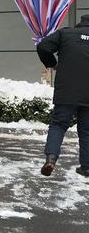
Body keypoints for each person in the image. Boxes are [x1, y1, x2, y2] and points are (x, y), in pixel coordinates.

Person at [37, 14, 89, 177]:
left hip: (66, 92)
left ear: (80, 24)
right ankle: (86, 167)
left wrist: (52, 64)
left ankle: (51, 160)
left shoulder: (65, 34)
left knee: (58, 125)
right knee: (87, 130)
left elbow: (43, 47)